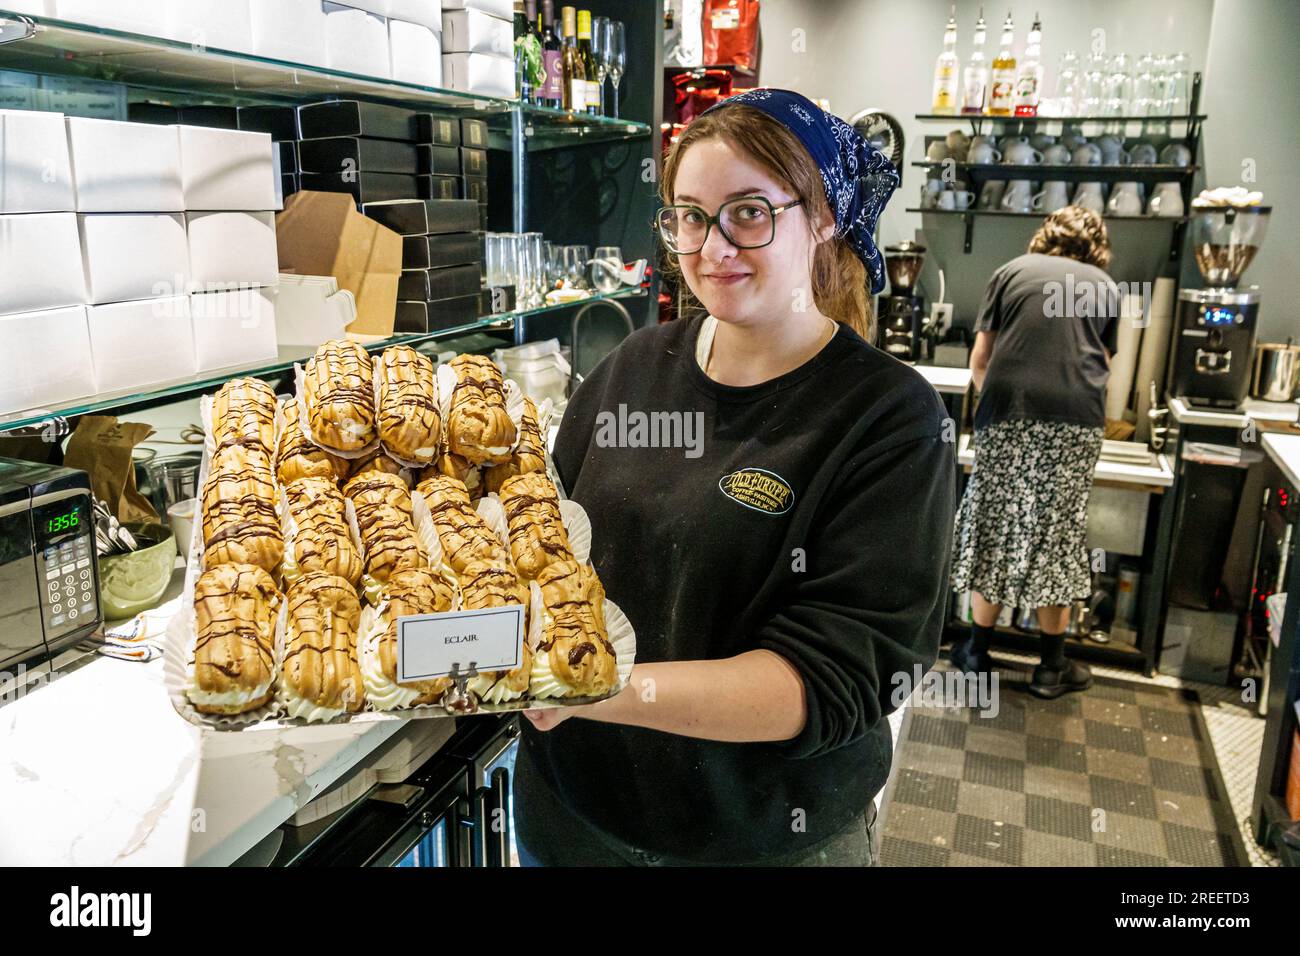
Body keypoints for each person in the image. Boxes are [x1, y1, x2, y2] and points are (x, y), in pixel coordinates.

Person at [512, 88, 956, 867]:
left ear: (822, 218)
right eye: (689, 214)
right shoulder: (634, 368)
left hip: (760, 839)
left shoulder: (886, 418)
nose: (711, 246)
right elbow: (540, 541)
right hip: (573, 814)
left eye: (748, 212)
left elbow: (834, 679)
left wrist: (599, 689)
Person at [948, 206, 1120, 699]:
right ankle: (1050, 667)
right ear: (1096, 246)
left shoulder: (1011, 272)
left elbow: (980, 360)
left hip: (1009, 414)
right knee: (1056, 533)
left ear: (1046, 235)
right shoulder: (1105, 287)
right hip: (1075, 423)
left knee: (996, 524)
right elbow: (1103, 365)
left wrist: (1001, 407)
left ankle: (977, 653)